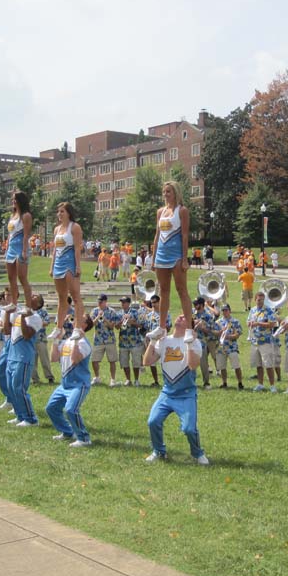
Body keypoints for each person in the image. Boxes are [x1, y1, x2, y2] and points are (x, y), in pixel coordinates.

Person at [143, 314, 209, 465]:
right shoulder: (165, 341)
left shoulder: (196, 343)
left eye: (184, 317)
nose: (180, 317)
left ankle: (197, 453)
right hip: (167, 392)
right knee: (153, 421)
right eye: (179, 316)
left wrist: (189, 343)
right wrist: (153, 341)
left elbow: (193, 365)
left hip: (186, 394)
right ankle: (159, 451)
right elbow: (147, 361)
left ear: (189, 325)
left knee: (189, 429)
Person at [148, 181, 194, 343]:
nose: (166, 195)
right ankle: (161, 327)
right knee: (163, 291)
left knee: (182, 290)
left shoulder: (182, 211)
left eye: (169, 191)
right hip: (161, 255)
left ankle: (189, 328)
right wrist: (153, 259)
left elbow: (185, 235)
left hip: (176, 255)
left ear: (175, 193)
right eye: (164, 192)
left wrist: (184, 259)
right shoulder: (160, 212)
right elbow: (156, 236)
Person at [47, 316, 96, 447]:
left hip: (79, 385)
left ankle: (84, 438)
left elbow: (75, 359)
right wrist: (57, 339)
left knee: (71, 410)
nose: (74, 321)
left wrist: (76, 340)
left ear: (84, 325)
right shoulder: (68, 340)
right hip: (65, 384)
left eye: (78, 320)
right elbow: (54, 357)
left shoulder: (84, 344)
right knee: (51, 408)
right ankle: (67, 432)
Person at [48, 202, 85, 342]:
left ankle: (78, 327)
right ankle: (58, 327)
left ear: (69, 213)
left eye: (62, 211)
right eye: (58, 211)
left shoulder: (74, 227)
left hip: (70, 263)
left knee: (75, 295)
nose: (59, 214)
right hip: (58, 264)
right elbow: (55, 250)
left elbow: (77, 248)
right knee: (61, 297)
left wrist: (78, 266)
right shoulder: (57, 229)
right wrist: (51, 267)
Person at [3, 302, 43, 427]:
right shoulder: (18, 314)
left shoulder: (36, 318)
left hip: (23, 357)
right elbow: (6, 331)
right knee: (11, 388)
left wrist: (24, 317)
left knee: (19, 388)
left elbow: (27, 335)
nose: (32, 298)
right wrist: (8, 313)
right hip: (12, 356)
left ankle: (31, 419)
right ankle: (20, 416)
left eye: (35, 298)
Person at [5, 191, 33, 309]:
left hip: (20, 247)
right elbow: (9, 234)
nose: (13, 202)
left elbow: (26, 235)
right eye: (12, 199)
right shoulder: (13, 216)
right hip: (11, 247)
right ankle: (14, 303)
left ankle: (28, 305)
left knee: (22, 277)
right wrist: (6, 248)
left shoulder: (26, 216)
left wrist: (24, 250)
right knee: (11, 277)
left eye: (15, 199)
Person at [248, 291, 277, 392]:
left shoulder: (268, 310)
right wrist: (250, 323)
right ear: (255, 299)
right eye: (259, 299)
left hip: (265, 341)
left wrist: (258, 324)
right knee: (258, 364)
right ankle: (260, 384)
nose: (260, 301)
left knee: (268, 364)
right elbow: (248, 321)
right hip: (255, 341)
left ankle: (272, 385)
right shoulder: (252, 310)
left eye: (262, 300)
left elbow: (273, 324)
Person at [89, 294, 119, 387]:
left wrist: (105, 319)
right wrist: (97, 317)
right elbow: (91, 325)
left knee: (112, 361)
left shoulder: (112, 311)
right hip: (98, 340)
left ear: (105, 301)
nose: (99, 303)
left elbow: (112, 326)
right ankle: (97, 377)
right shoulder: (94, 311)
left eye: (101, 301)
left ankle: (113, 380)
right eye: (98, 301)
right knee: (94, 360)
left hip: (110, 340)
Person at [213, 304, 243, 389]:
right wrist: (219, 333)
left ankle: (240, 382)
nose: (224, 312)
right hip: (220, 348)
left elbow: (237, 334)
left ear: (230, 310)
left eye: (226, 310)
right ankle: (224, 382)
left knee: (236, 366)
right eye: (223, 310)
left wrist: (228, 336)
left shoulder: (235, 321)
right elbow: (214, 333)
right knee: (222, 367)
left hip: (232, 347)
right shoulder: (218, 322)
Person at [117, 297, 144, 386]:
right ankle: (128, 380)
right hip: (123, 341)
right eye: (121, 302)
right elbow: (116, 327)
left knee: (136, 362)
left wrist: (131, 321)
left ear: (129, 303)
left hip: (135, 341)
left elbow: (140, 325)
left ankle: (136, 380)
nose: (122, 304)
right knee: (124, 362)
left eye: (124, 302)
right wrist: (122, 321)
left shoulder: (135, 312)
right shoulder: (119, 313)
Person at [29, 294, 54, 386]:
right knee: (32, 360)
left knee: (44, 359)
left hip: (41, 339)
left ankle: (49, 376)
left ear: (39, 302)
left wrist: (36, 322)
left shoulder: (43, 312)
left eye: (35, 298)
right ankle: (35, 378)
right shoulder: (28, 311)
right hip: (30, 340)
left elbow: (46, 322)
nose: (32, 298)